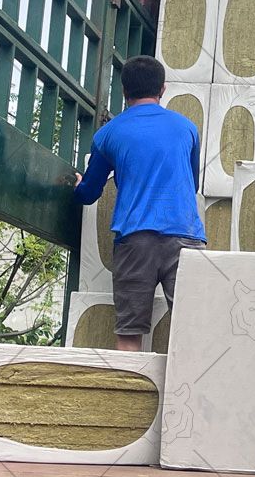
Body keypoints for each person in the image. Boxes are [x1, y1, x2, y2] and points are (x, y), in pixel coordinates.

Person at [74, 55, 205, 351]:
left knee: (129, 335)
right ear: (162, 89)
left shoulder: (108, 134)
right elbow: (192, 185)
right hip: (185, 237)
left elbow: (89, 194)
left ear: (124, 91)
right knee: (195, 331)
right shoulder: (187, 128)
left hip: (135, 241)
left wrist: (79, 186)